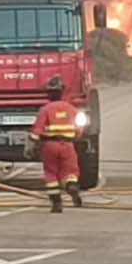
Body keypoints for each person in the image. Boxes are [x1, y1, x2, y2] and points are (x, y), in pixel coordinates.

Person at [29, 75, 83, 213]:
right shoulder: (71, 109)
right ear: (61, 92)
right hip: (67, 145)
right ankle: (71, 186)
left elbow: (37, 131)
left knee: (51, 174)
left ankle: (56, 203)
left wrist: (31, 145)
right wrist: (74, 138)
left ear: (48, 93)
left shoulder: (45, 109)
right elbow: (79, 129)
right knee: (71, 171)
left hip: (50, 146)